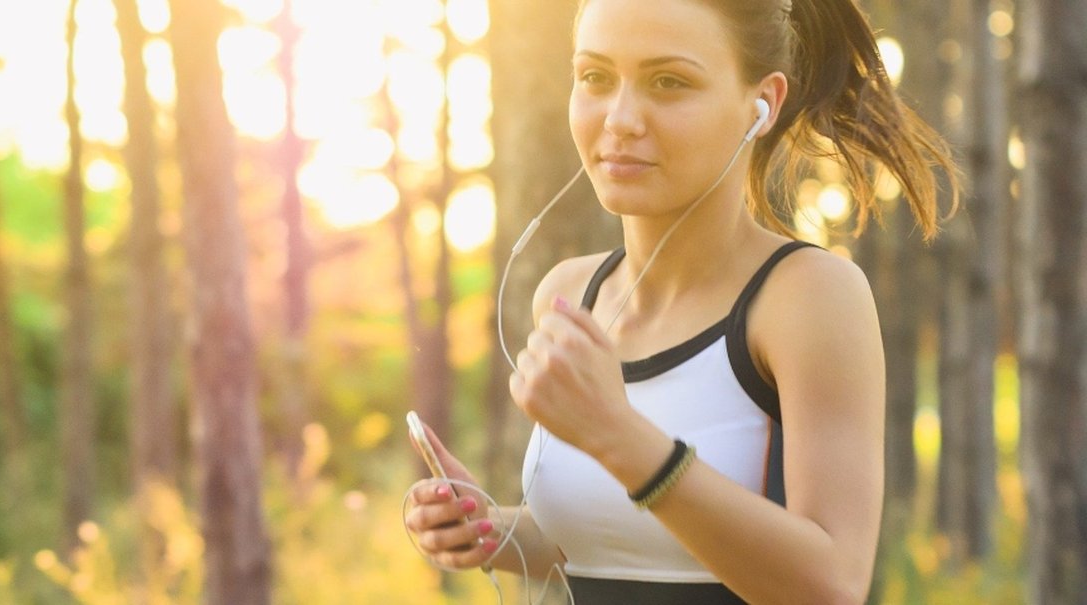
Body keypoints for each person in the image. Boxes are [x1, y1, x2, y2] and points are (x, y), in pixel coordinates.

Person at [403, 0, 959, 602]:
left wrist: (621, 436)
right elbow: (613, 543)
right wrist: (491, 531)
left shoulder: (806, 296)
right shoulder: (567, 296)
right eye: (595, 77)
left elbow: (831, 584)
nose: (620, 119)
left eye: (669, 82)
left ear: (763, 103)